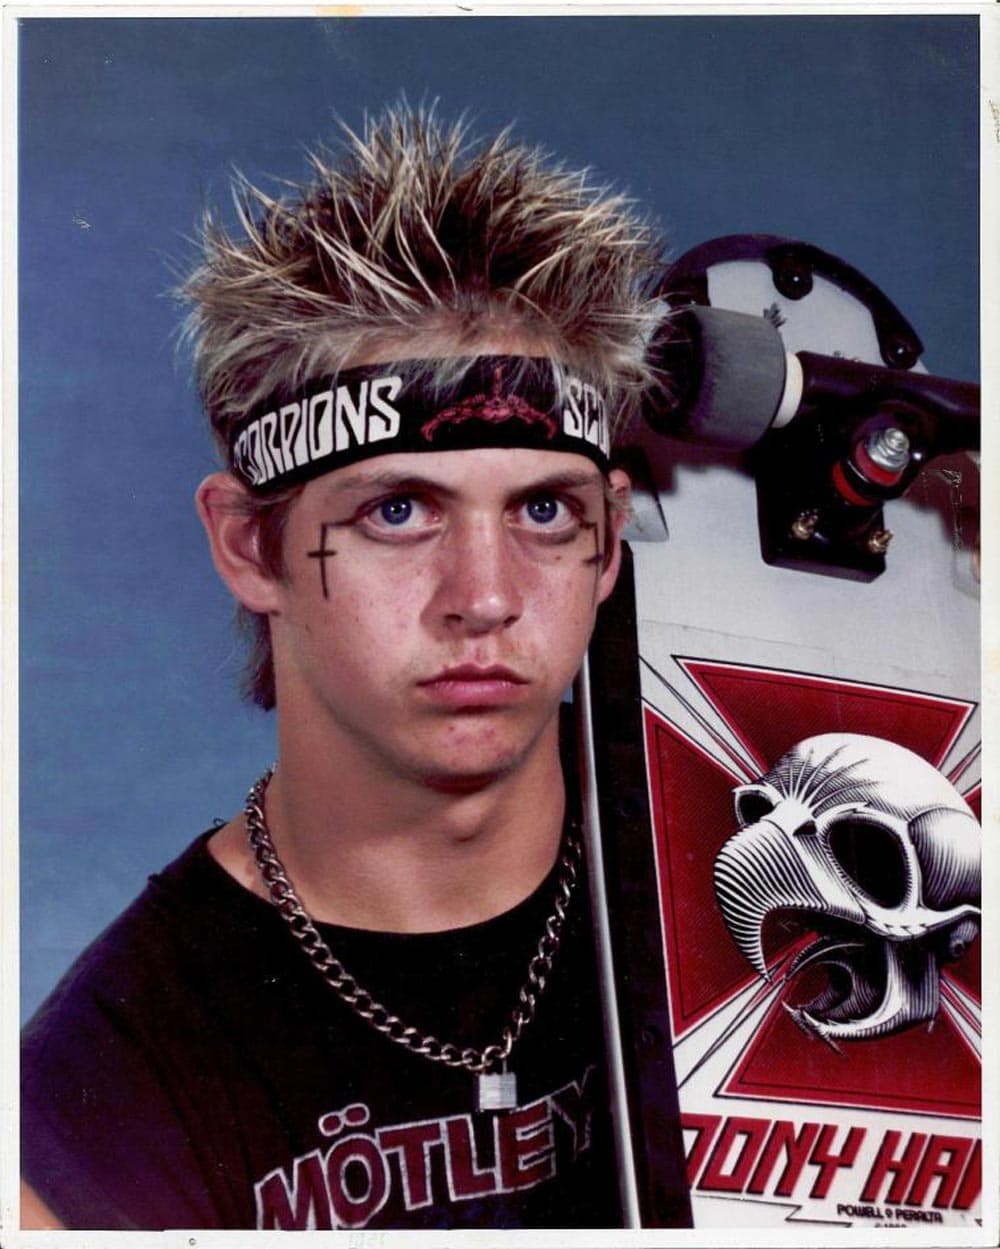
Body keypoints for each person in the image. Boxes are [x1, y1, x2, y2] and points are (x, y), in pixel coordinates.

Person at [21, 106, 665, 1230]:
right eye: (400, 509)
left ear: (611, 539)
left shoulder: (776, 846)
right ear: (250, 545)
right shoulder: (99, 1099)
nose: (487, 594)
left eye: (545, 509)